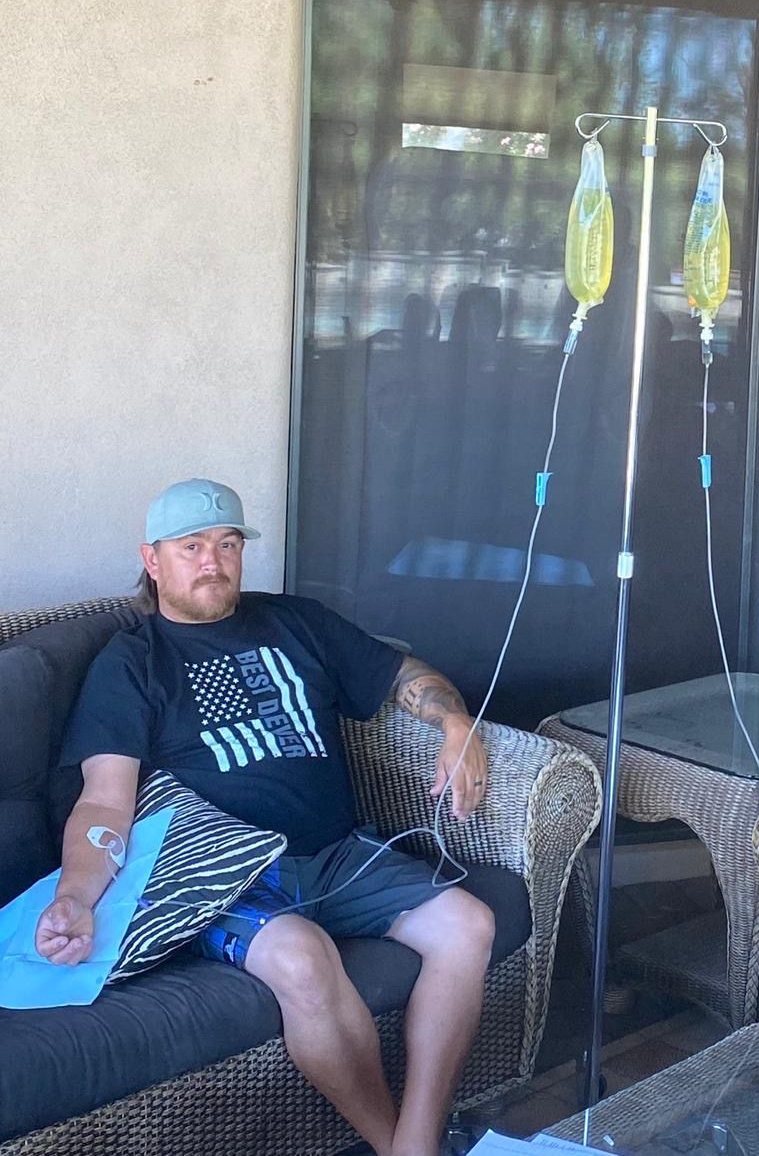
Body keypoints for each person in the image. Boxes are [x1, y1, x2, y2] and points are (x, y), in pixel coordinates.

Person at [35, 478, 495, 1156]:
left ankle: (417, 1141)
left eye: (227, 544)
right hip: (227, 876)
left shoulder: (296, 622)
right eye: (191, 547)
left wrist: (455, 721)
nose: (212, 561)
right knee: (303, 961)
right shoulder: (133, 664)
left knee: (469, 925)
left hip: (337, 853)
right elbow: (105, 799)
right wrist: (76, 894)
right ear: (153, 559)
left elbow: (402, 673)